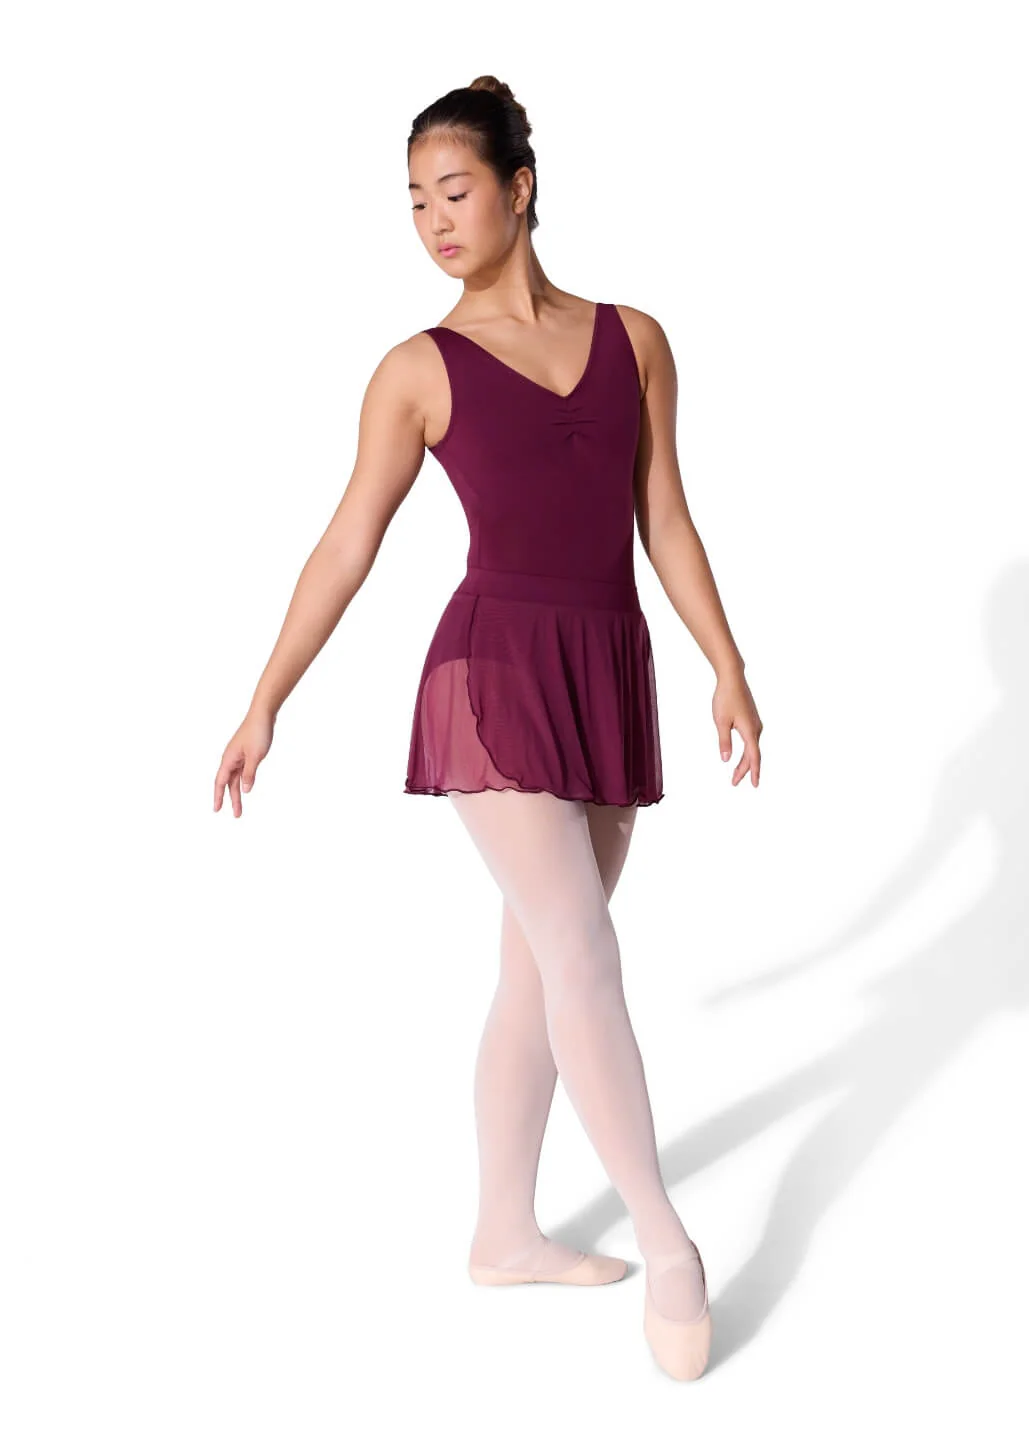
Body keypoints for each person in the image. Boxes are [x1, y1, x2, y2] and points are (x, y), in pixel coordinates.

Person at [213, 75, 763, 1382]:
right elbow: (347, 543)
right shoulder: (417, 371)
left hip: (605, 666)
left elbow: (664, 517)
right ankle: (669, 1245)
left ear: (520, 188)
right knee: (581, 949)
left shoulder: (636, 340)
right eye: (413, 203)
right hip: (493, 672)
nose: (433, 222)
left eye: (453, 192)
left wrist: (727, 664)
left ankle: (504, 1235)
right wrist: (266, 697)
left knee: (538, 970)